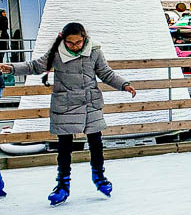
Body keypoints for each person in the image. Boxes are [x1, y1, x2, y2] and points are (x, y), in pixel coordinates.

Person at [0, 22, 136, 205]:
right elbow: (36, 66)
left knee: (96, 142)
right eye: (70, 43)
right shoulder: (56, 53)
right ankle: (62, 184)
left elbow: (106, 73)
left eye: (78, 42)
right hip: (65, 104)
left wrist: (124, 84)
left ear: (84, 38)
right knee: (64, 147)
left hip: (90, 103)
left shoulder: (94, 51)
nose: (75, 46)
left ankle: (100, 176)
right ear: (63, 40)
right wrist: (12, 68)